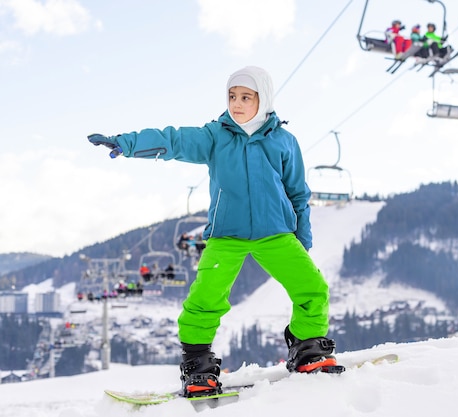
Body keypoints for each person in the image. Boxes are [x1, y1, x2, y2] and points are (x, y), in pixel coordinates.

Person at [87, 65, 342, 398]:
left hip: (276, 233)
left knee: (312, 287)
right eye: (232, 96)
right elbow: (173, 139)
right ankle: (198, 365)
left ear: (262, 99)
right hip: (227, 234)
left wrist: (302, 238)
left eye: (245, 97)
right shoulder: (215, 136)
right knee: (206, 297)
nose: (236, 103)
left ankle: (308, 348)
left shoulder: (284, 141)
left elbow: (297, 193)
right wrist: (128, 143)